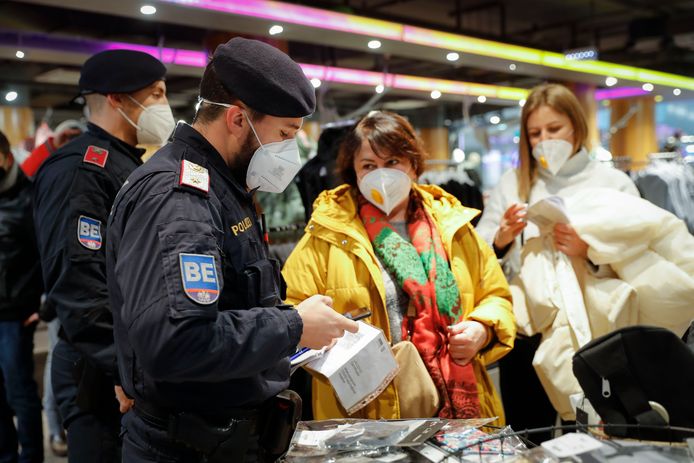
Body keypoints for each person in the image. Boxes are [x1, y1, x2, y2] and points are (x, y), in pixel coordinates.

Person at [106, 37, 358, 463]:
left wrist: (290, 320)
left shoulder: (222, 185)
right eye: (284, 134)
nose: (290, 151)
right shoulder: (179, 199)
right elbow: (177, 341)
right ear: (239, 119)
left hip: (224, 439)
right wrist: (293, 327)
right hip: (188, 447)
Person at [282, 111, 516, 421]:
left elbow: (496, 295)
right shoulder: (326, 234)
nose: (382, 174)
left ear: (413, 164)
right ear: (353, 171)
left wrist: (482, 329)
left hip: (457, 402)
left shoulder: (453, 225)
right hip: (365, 410)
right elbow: (293, 316)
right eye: (369, 166)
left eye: (392, 162)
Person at [32, 49, 174, 462]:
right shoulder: (82, 170)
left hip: (132, 367)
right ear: (117, 98)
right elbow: (80, 286)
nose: (164, 106)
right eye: (156, 94)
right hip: (99, 376)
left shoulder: (125, 163)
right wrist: (124, 369)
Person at [476, 83, 639, 440]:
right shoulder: (512, 183)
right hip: (527, 329)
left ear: (576, 128)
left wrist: (590, 249)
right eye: (535, 133)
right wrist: (502, 238)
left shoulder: (612, 182)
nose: (544, 140)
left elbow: (638, 254)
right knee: (526, 431)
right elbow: (478, 256)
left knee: (589, 431)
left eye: (554, 129)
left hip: (593, 329)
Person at [0, 130, 44, 463]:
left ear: (4, 156)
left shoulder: (29, 197)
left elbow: (47, 255)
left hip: (16, 314)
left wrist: (43, 304)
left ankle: (30, 457)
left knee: (20, 393)